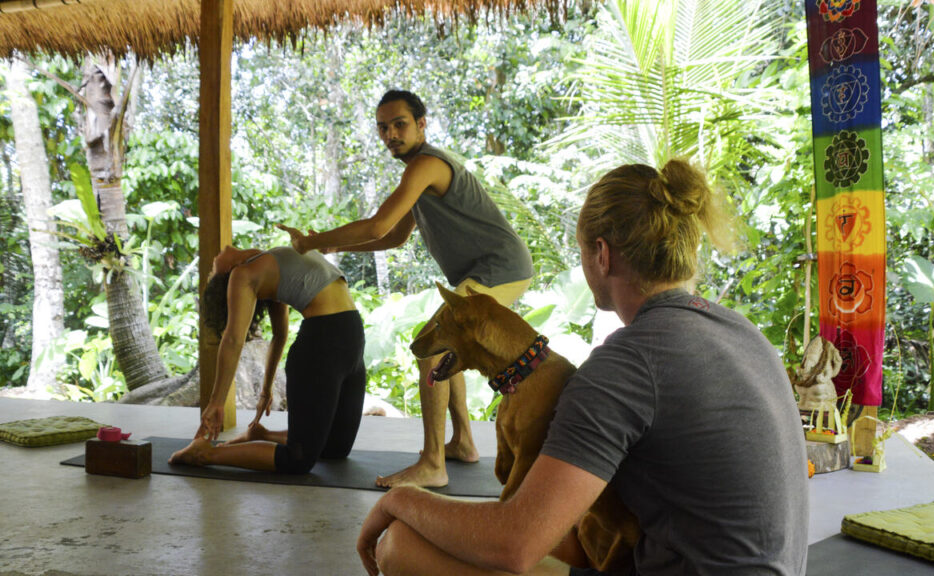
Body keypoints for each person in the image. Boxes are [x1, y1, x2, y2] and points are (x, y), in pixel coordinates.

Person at [356, 158, 810, 575]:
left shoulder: (627, 363)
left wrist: (402, 500)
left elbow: (515, 544)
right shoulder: (744, 333)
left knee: (401, 544)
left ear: (602, 254)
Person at [277, 89, 534, 488]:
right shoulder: (417, 171)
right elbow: (394, 236)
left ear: (421, 125)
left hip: (498, 267)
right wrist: (331, 243)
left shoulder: (427, 164)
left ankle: (433, 464)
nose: (390, 134)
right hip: (495, 268)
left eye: (399, 124)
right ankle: (464, 442)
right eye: (383, 127)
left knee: (430, 349)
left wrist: (310, 242)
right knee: (449, 349)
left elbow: (378, 224)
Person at [169, 245, 366, 473]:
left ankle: (263, 435)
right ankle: (205, 453)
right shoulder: (242, 274)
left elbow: (280, 336)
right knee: (298, 459)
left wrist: (266, 390)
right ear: (228, 274)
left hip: (351, 339)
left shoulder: (272, 264)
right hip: (322, 344)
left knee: (336, 448)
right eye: (213, 272)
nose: (213, 263)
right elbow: (233, 340)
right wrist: (216, 402)